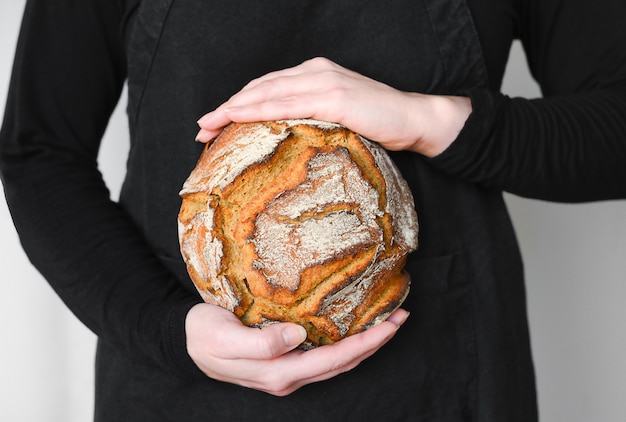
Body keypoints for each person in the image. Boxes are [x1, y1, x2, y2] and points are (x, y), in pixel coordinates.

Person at [1, 0, 625, 420]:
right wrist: (166, 329)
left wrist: (428, 120)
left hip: (446, 376)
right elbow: (39, 152)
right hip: (177, 380)